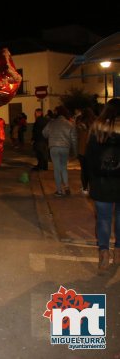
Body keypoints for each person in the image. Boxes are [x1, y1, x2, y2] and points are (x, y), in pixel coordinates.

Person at [84, 98, 120, 272]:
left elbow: (89, 158)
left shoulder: (96, 128)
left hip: (101, 182)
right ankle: (118, 251)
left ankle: (104, 252)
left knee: (104, 219)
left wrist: (88, 182)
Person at [42, 105, 77, 197]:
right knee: (64, 167)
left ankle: (59, 190)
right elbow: (74, 139)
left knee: (57, 169)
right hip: (65, 147)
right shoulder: (70, 124)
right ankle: (66, 186)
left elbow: (44, 133)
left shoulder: (52, 123)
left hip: (54, 147)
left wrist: (50, 135)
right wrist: (75, 151)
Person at [75, 107, 96, 194]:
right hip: (93, 150)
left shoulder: (80, 124)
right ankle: (93, 188)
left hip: (82, 150)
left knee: (84, 170)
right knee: (92, 169)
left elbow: (76, 136)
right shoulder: (96, 124)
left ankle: (85, 188)